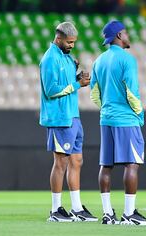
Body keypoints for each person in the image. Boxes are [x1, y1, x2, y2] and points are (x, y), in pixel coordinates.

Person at [90, 20, 146, 226]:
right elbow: (131, 91)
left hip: (106, 118)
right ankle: (129, 214)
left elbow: (94, 94)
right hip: (126, 119)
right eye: (125, 32)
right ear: (118, 35)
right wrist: (140, 113)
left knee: (106, 165)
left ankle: (108, 214)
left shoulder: (98, 60)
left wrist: (106, 109)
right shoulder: (127, 60)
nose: (127, 36)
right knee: (131, 164)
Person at [39, 22, 97, 223]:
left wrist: (79, 78)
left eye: (73, 42)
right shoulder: (49, 59)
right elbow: (51, 90)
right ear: (59, 38)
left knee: (76, 161)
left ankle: (77, 208)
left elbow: (69, 85)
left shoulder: (67, 58)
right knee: (61, 162)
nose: (72, 45)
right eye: (69, 42)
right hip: (59, 118)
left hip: (72, 115)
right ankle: (55, 210)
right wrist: (76, 83)